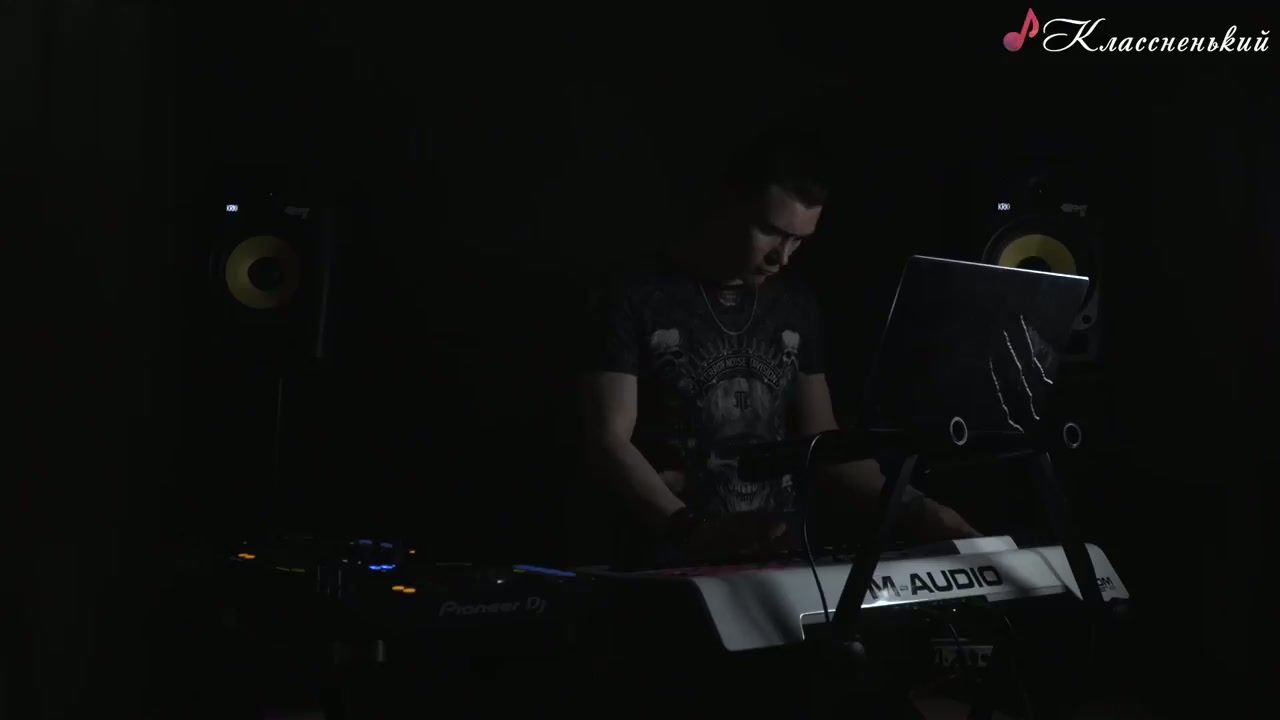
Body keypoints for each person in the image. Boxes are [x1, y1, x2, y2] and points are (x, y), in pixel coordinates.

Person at [581, 126, 977, 567]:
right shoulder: (633, 295)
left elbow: (823, 445)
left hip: (775, 560)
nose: (783, 256)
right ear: (728, 203)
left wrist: (916, 508)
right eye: (770, 231)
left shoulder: (795, 302)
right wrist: (692, 530)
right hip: (667, 564)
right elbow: (607, 438)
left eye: (799, 240)